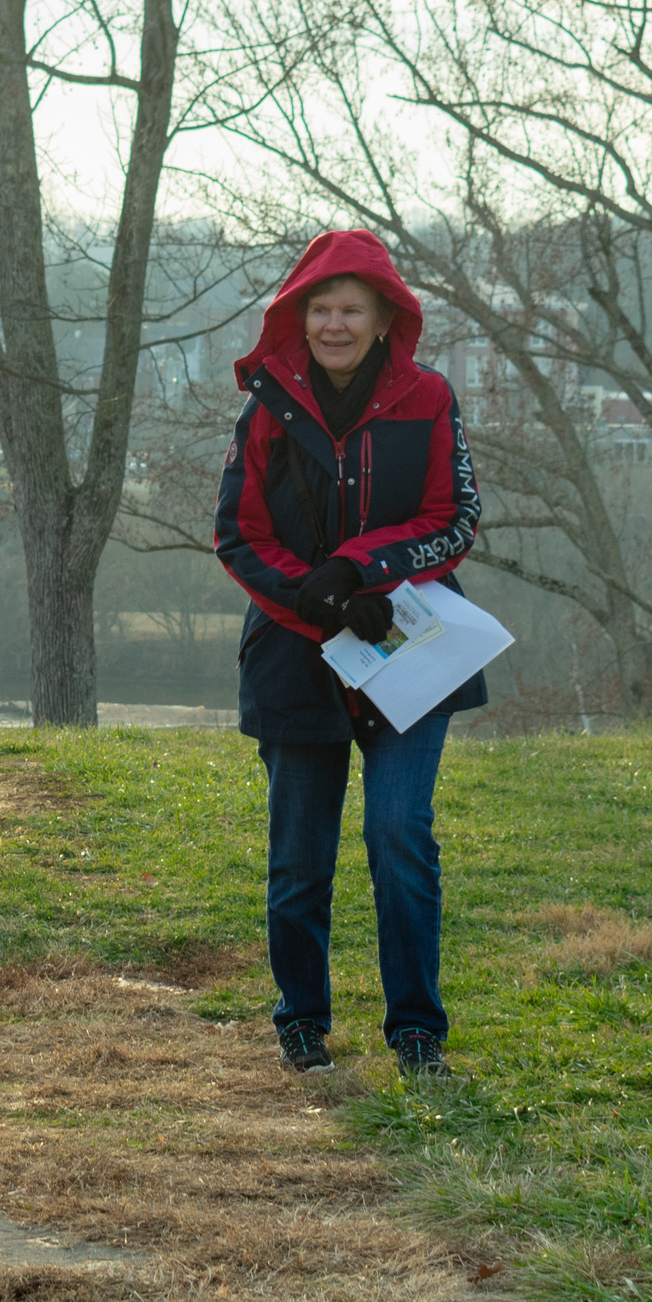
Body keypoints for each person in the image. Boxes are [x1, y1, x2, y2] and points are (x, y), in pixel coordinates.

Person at [215, 230, 484, 1079]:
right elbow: (238, 534)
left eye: (351, 311)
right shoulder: (265, 408)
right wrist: (318, 595)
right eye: (320, 309)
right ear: (300, 316)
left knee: (399, 834)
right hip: (296, 656)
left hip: (411, 646)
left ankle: (417, 1033)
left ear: (383, 320)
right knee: (300, 857)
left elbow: (455, 517)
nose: (334, 325)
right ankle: (301, 1019)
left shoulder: (430, 397)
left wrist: (368, 572)